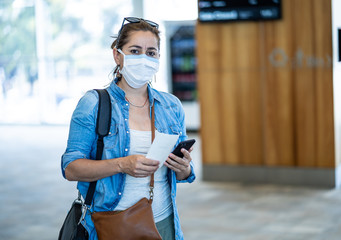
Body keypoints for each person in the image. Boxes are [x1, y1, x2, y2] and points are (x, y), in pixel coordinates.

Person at [61, 17, 196, 240]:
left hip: (164, 224)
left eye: (151, 52)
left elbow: (183, 173)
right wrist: (122, 164)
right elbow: (71, 168)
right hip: (112, 225)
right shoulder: (94, 104)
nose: (144, 59)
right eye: (135, 51)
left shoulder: (171, 106)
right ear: (117, 55)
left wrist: (184, 169)